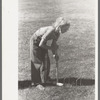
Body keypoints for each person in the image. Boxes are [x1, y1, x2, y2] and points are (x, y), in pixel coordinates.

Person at [30, 17, 70, 89]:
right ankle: (36, 83)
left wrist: (55, 54)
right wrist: (52, 48)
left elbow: (53, 43)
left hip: (43, 43)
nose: (67, 30)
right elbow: (40, 45)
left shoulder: (57, 33)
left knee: (46, 61)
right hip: (35, 42)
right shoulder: (51, 30)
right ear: (59, 27)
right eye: (65, 29)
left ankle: (45, 79)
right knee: (36, 62)